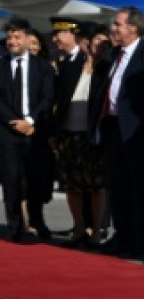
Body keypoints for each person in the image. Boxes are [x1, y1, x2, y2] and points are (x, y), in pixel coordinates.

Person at [89, 7, 144, 258]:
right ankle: (122, 236)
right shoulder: (112, 55)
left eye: (118, 25)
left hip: (139, 133)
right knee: (118, 186)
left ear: (134, 28)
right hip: (113, 128)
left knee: (142, 188)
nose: (113, 29)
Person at [2, 18, 56, 242]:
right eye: (9, 37)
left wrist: (30, 121)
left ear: (26, 38)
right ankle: (15, 227)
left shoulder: (42, 66)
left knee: (36, 179)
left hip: (34, 131)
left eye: (17, 37)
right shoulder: (2, 64)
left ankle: (36, 222)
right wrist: (15, 121)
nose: (12, 41)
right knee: (11, 181)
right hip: (7, 131)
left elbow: (47, 97)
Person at [50, 19, 103, 247]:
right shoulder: (70, 65)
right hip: (68, 133)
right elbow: (58, 101)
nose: (84, 45)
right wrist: (54, 132)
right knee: (71, 183)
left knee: (94, 185)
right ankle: (79, 227)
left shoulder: (102, 67)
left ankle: (97, 230)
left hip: (89, 134)